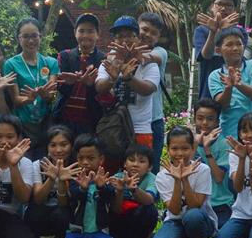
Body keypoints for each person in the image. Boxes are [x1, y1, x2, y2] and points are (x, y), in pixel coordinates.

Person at [95, 16, 162, 150]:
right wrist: (111, 79)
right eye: (119, 36)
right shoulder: (109, 62)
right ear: (114, 41)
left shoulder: (149, 64)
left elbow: (148, 89)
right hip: (113, 129)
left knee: (141, 163)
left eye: (130, 36)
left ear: (138, 39)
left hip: (140, 130)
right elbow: (99, 87)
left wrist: (129, 78)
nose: (125, 40)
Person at [152, 126, 218, 238]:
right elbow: (175, 210)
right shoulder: (161, 176)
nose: (180, 153)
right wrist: (177, 180)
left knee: (192, 216)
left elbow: (195, 205)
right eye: (174, 149)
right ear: (168, 149)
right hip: (175, 220)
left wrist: (185, 179)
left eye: (185, 148)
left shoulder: (202, 169)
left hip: (200, 220)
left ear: (192, 148)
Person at [4, 18, 59, 156]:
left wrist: (47, 95)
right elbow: (16, 100)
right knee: (25, 162)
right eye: (26, 36)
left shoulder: (51, 62)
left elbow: (52, 94)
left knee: (44, 162)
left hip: (46, 124)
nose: (30, 40)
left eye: (34, 36)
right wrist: (29, 99)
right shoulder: (11, 64)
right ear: (19, 39)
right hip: (23, 126)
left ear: (40, 36)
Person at [62, 135, 121, 238]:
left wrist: (101, 187)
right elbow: (72, 197)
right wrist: (83, 189)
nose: (85, 162)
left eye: (90, 158)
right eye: (81, 158)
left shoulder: (105, 179)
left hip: (99, 231)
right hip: (77, 232)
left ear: (101, 159)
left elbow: (110, 196)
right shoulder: (74, 179)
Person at [208, 26, 252, 140]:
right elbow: (222, 105)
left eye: (239, 44)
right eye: (229, 44)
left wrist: (238, 84)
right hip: (230, 133)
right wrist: (229, 87)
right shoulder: (215, 76)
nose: (235, 48)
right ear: (218, 50)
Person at [25, 125, 76, 238]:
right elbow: (38, 198)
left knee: (62, 214)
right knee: (33, 212)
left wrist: (62, 180)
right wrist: (51, 178)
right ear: (47, 148)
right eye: (53, 145)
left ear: (71, 146)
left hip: (63, 211)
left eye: (64, 145)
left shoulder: (75, 167)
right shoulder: (37, 165)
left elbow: (64, 203)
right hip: (41, 209)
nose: (58, 150)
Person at [55, 14, 106, 136]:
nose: (85, 35)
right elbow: (60, 88)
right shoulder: (65, 56)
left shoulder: (103, 59)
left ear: (98, 34)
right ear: (75, 32)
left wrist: (90, 85)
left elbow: (103, 94)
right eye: (81, 31)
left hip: (91, 119)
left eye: (90, 31)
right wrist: (68, 83)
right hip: (64, 118)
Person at [193, 0, 246, 99]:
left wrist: (223, 29)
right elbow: (206, 55)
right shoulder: (201, 30)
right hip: (208, 92)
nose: (223, 8)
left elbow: (237, 57)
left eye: (228, 5)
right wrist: (213, 31)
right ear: (212, 6)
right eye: (219, 4)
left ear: (234, 9)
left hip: (236, 93)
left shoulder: (241, 32)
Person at [107, 144, 160, 238]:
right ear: (125, 164)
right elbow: (115, 210)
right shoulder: (118, 177)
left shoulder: (152, 178)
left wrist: (134, 189)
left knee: (150, 210)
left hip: (140, 217)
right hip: (121, 220)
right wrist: (120, 191)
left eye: (141, 161)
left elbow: (149, 200)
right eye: (131, 160)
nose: (135, 164)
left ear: (150, 167)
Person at [138, 12, 170, 172]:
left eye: (154, 33)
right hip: (129, 120)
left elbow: (150, 58)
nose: (148, 35)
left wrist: (126, 52)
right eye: (144, 29)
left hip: (153, 121)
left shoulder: (160, 52)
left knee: (152, 169)